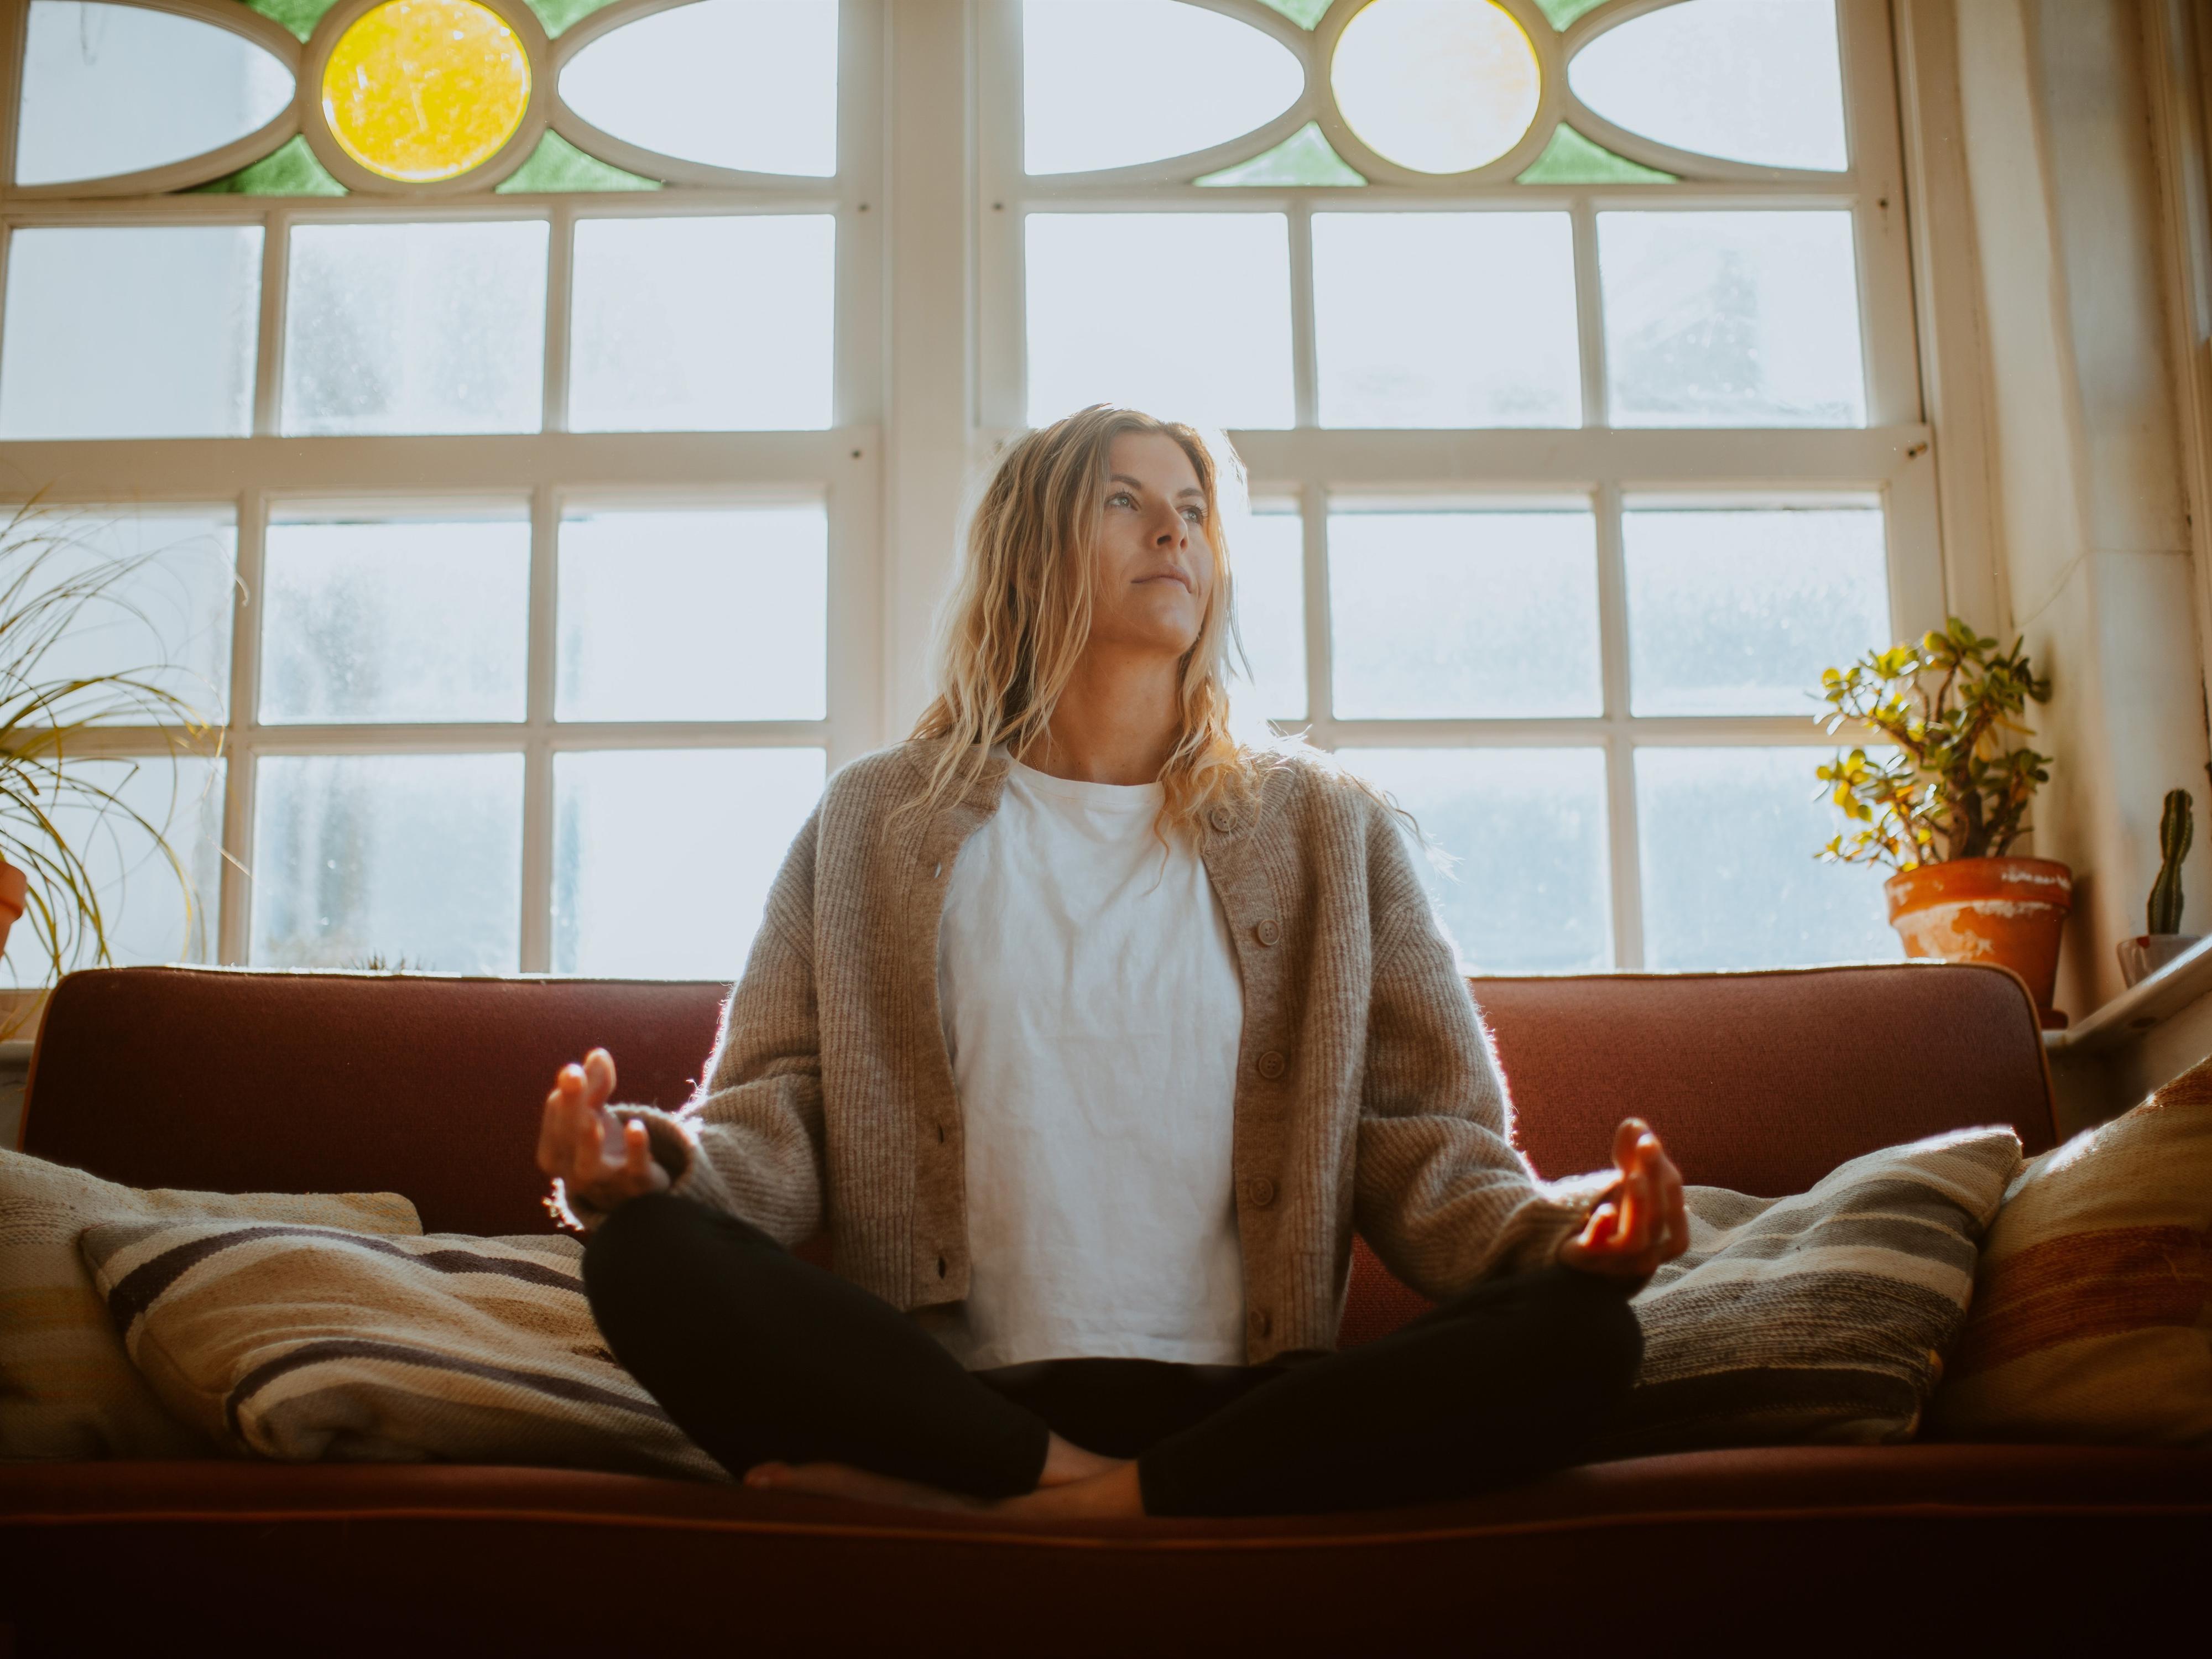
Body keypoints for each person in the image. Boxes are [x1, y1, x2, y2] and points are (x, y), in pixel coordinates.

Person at [535, 404, 1688, 1520]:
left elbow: (1425, 1149)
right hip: (946, 1393)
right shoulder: (874, 820)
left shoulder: (1327, 829)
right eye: (1125, 501)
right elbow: (775, 1118)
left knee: (1584, 1338)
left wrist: (1562, 1235)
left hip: (1247, 1400)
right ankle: (1109, 1494)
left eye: (1191, 509)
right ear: (1030, 552)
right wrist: (644, 1165)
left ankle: (1028, 1514)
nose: (1172, 531)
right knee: (641, 1258)